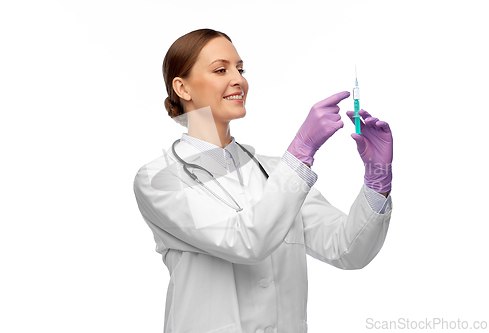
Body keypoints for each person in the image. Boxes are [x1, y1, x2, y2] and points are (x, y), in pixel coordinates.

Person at [133, 28, 393, 333]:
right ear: (183, 88)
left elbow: (347, 250)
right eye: (221, 69)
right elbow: (245, 241)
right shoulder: (160, 179)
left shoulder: (274, 173)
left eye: (240, 69)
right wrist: (302, 151)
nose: (239, 80)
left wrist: (378, 178)